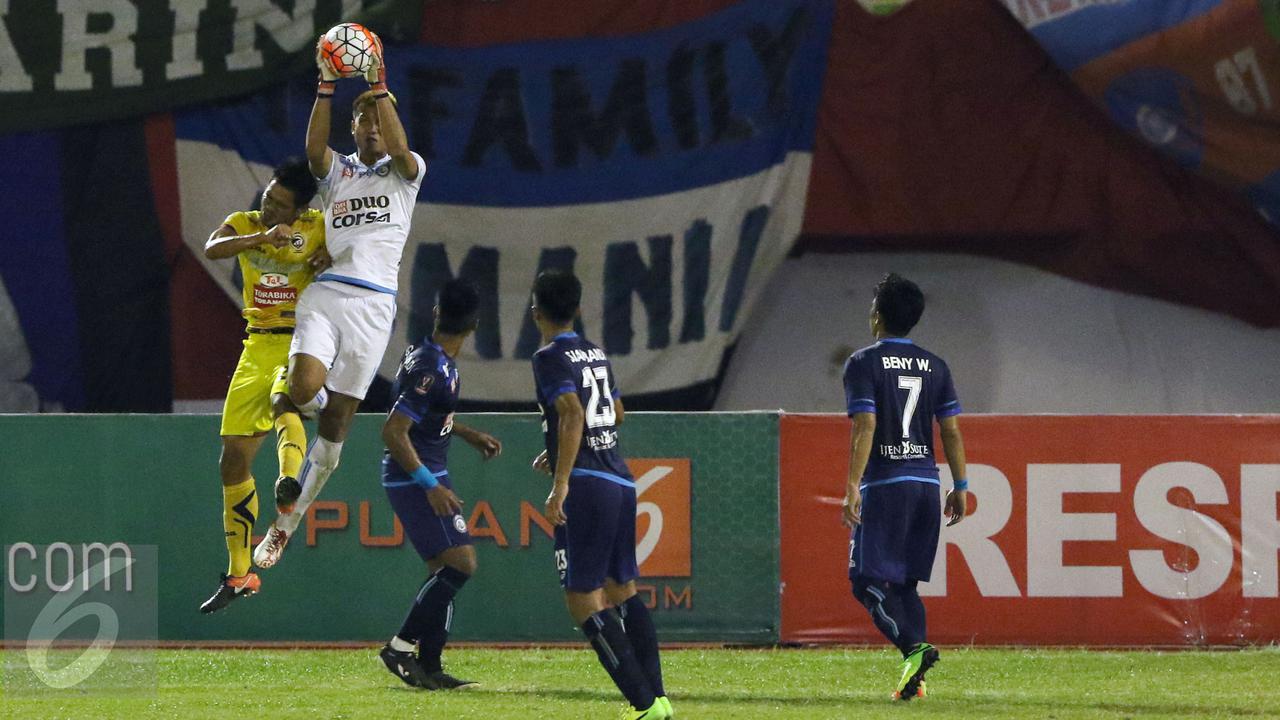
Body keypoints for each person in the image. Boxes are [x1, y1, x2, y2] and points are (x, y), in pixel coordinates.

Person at [254, 29, 428, 568]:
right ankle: (307, 393)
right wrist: (328, 86)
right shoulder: (340, 174)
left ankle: (285, 525)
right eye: (365, 120)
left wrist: (378, 85)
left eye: (380, 118)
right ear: (353, 128)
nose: (372, 127)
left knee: (334, 435)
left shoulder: (408, 173)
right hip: (327, 296)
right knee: (305, 388)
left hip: (374, 309)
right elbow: (313, 152)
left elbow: (399, 148)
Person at [528, 270, 671, 720]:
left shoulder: (549, 356)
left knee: (583, 599)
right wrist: (560, 450)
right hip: (621, 479)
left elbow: (572, 413)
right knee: (623, 589)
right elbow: (616, 413)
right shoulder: (596, 353)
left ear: (536, 312)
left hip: (588, 485)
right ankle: (659, 699)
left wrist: (562, 479)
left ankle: (643, 704)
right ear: (578, 309)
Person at [198, 159, 329, 613]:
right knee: (232, 461)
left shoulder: (319, 226)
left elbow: (360, 252)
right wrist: (259, 236)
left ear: (300, 210)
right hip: (255, 346)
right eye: (268, 197)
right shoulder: (245, 224)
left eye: (279, 204)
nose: (269, 206)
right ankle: (240, 575)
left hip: (301, 340)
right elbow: (213, 247)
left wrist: (333, 255)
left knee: (284, 400)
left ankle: (289, 483)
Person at [841, 273, 969, 701]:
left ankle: (915, 648)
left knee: (865, 581)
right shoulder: (937, 365)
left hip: (886, 483)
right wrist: (961, 484)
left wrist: (852, 484)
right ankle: (913, 680)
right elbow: (950, 431)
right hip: (926, 482)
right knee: (905, 586)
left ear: (877, 315)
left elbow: (866, 423)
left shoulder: (863, 362)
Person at [378, 280, 501, 690]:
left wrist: (464, 433)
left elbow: (427, 416)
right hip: (412, 475)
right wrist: (429, 484)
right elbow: (394, 432)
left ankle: (429, 666)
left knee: (442, 571)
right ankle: (399, 649)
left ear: (436, 313)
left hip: (426, 470)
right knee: (461, 564)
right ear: (475, 324)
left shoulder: (431, 355)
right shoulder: (432, 367)